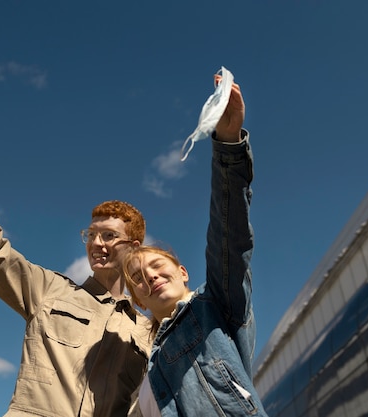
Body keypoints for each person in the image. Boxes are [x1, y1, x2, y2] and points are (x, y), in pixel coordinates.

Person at [0, 126, 151, 417]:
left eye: (109, 236)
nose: (96, 244)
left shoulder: (148, 334)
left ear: (134, 247)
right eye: (91, 235)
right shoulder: (49, 290)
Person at [123, 82, 269, 416]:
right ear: (139, 301)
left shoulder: (214, 305)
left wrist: (228, 147)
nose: (149, 275)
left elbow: (229, 239)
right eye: (137, 278)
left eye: (157, 265)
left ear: (182, 272)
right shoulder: (149, 371)